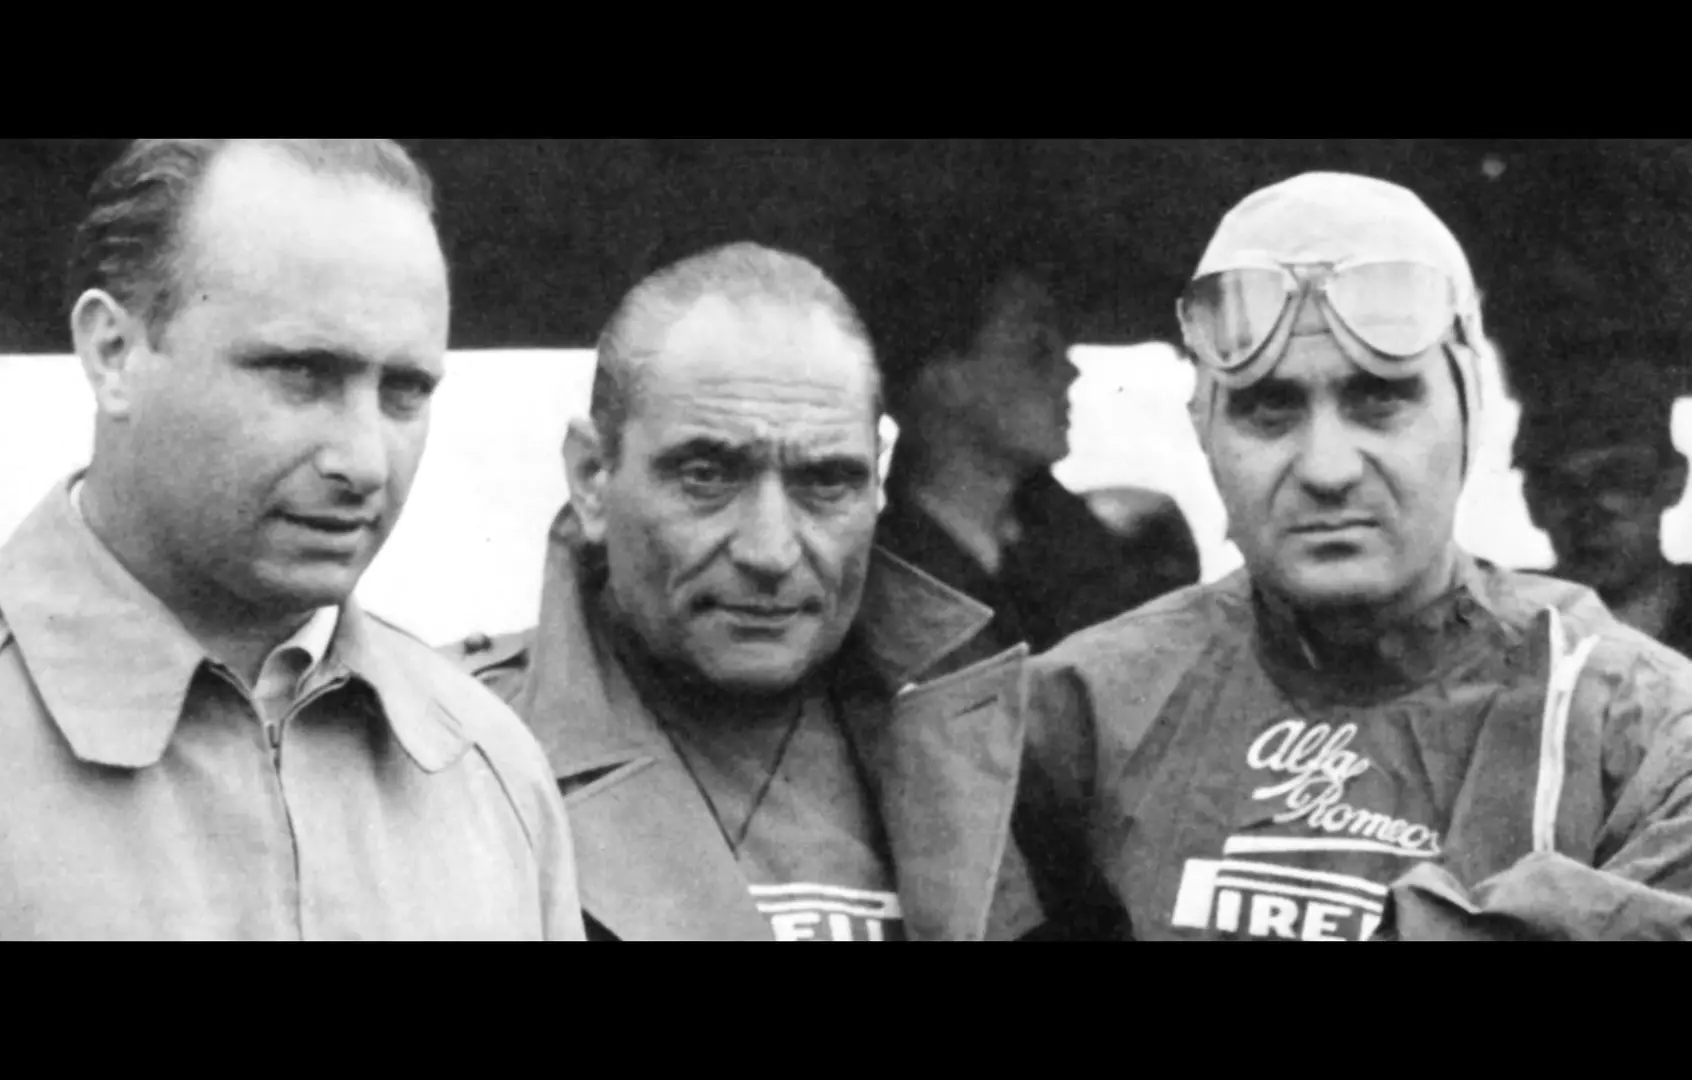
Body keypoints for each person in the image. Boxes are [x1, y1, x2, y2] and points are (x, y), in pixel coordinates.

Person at [1017, 171, 1692, 941]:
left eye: (1379, 399)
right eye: (1270, 408)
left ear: (1467, 419)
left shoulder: (1620, 714)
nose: (1327, 468)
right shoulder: (1079, 713)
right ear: (1206, 435)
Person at [0, 139, 583, 941]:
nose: (364, 462)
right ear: (114, 354)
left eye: (404, 391)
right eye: (302, 374)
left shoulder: (489, 770)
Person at [451, 241, 1048, 941]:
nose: (771, 550)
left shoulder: (974, 754)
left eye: (826, 481)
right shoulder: (452, 753)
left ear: (877, 482)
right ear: (591, 478)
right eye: (706, 475)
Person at [847, 204, 1200, 658]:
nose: (1069, 371)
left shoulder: (1082, 550)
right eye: (1036, 349)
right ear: (946, 382)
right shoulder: (883, 593)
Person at [1512, 361, 1692, 715]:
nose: (1589, 510)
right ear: (1532, 501)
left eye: (1617, 478)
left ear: (1672, 482)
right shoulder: (1500, 633)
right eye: (1559, 486)